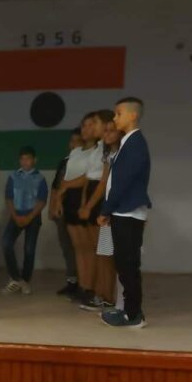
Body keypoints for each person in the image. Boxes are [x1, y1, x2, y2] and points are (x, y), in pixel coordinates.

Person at [98, 97, 152, 328]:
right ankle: (129, 310)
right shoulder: (128, 143)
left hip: (128, 211)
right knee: (124, 263)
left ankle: (133, 314)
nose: (115, 118)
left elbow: (122, 183)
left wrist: (106, 209)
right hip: (123, 211)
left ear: (133, 115)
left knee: (128, 265)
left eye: (119, 113)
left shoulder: (135, 143)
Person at [76, 110, 118, 311]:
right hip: (93, 195)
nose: (92, 127)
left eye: (96, 123)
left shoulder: (109, 149)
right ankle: (99, 294)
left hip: (101, 199)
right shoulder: (100, 149)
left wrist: (89, 205)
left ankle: (106, 295)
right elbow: (90, 179)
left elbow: (103, 182)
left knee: (104, 253)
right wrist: (84, 203)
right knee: (98, 251)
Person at [58, 114, 100, 303]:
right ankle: (83, 286)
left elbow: (88, 178)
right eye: (83, 125)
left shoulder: (98, 151)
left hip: (85, 197)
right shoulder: (75, 152)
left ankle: (94, 288)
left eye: (91, 125)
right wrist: (59, 198)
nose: (86, 129)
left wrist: (67, 186)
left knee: (92, 249)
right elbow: (65, 178)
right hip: (69, 199)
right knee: (79, 249)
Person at [1, 146, 48, 294]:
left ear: (35, 160)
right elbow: (8, 198)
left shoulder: (40, 178)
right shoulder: (13, 177)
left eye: (28, 158)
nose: (25, 162)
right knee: (6, 243)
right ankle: (16, 278)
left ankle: (26, 280)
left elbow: (42, 201)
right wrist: (15, 216)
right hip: (16, 215)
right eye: (22, 159)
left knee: (29, 249)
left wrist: (29, 217)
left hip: (33, 217)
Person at [50, 128, 82, 297]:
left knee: (81, 248)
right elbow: (56, 187)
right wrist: (52, 206)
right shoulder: (64, 162)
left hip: (78, 210)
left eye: (77, 141)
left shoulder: (86, 161)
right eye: (72, 141)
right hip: (62, 210)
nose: (73, 145)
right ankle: (72, 281)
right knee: (66, 247)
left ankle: (84, 283)